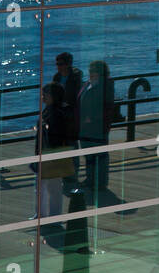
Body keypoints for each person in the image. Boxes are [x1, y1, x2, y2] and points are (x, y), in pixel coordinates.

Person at [34, 83, 72, 236]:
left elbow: (57, 135)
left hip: (52, 153)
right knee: (42, 186)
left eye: (46, 94)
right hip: (46, 152)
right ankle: (42, 214)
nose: (43, 97)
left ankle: (53, 216)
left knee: (52, 187)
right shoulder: (51, 111)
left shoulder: (57, 113)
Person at [78, 61, 114, 198]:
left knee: (100, 156)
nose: (91, 72)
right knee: (89, 155)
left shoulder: (105, 87)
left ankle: (100, 183)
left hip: (97, 126)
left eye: (94, 70)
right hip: (85, 126)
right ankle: (90, 179)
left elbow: (107, 107)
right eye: (90, 70)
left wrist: (92, 118)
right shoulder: (88, 83)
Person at [52, 52, 83, 188]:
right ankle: (65, 174)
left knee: (72, 145)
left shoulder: (76, 77)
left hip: (71, 117)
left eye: (61, 64)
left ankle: (73, 174)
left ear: (68, 64)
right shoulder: (57, 77)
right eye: (57, 64)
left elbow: (77, 96)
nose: (58, 67)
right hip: (59, 116)